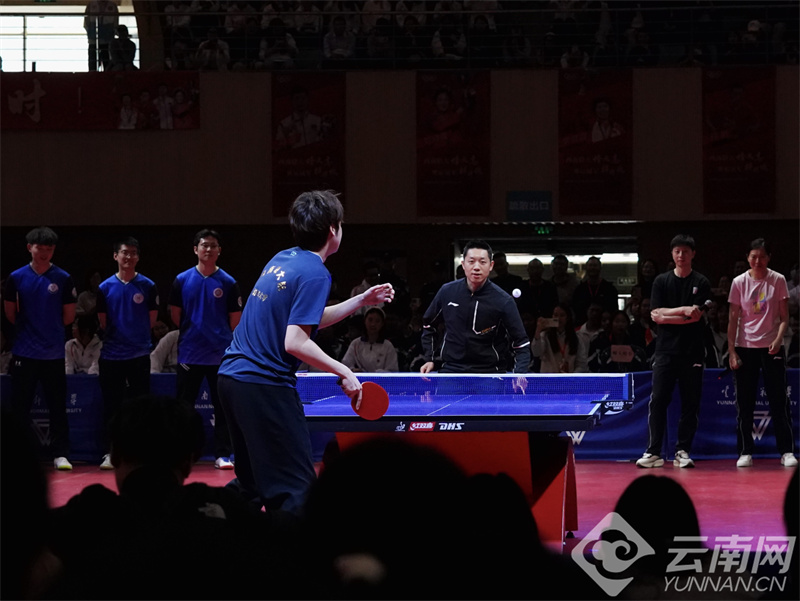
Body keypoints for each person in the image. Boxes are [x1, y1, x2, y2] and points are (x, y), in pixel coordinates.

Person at [217, 190, 395, 515]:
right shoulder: (316, 272)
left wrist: (360, 300)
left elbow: (304, 319)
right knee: (296, 489)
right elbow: (296, 342)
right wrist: (344, 371)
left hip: (232, 379)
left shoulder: (282, 259)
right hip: (264, 383)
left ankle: (219, 531)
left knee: (252, 482)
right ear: (332, 229)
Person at [46, 394, 300, 600]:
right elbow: (295, 535)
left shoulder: (89, 514)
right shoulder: (222, 507)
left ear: (114, 455)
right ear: (190, 460)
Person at [4, 227, 77, 470]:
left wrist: (48, 331)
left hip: (53, 353)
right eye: (40, 248)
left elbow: (68, 317)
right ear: (29, 248)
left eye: (49, 248)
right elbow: (10, 314)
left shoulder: (63, 278)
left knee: (57, 406)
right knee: (20, 407)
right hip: (24, 352)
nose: (44, 252)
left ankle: (60, 454)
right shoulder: (16, 277)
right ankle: (16, 455)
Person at [169, 229, 242, 471]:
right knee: (183, 409)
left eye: (213, 245)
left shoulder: (228, 282)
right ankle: (182, 453)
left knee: (223, 407)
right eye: (204, 245)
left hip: (220, 355)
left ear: (219, 250)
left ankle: (223, 454)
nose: (208, 249)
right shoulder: (181, 280)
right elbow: (176, 316)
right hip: (190, 354)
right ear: (195, 249)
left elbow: (235, 320)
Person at [636, 234, 712, 469]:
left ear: (693, 254)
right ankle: (654, 452)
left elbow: (694, 318)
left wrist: (667, 316)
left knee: (690, 403)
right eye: (677, 251)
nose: (681, 255)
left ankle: (682, 451)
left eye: (685, 251)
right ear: (672, 254)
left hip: (692, 352)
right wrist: (684, 311)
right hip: (665, 351)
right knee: (658, 400)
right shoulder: (661, 281)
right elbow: (655, 315)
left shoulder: (702, 281)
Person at [727, 238, 797, 468]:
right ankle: (745, 451)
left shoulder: (778, 280)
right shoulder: (739, 282)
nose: (758, 261)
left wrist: (778, 340)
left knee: (779, 400)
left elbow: (785, 317)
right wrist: (732, 351)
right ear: (748, 257)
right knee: (745, 402)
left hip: (771, 346)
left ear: (769, 258)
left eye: (762, 257)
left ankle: (786, 450)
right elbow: (733, 319)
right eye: (753, 256)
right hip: (745, 347)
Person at [420, 240, 531, 374]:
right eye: (471, 261)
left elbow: (521, 343)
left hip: (490, 374)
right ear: (463, 265)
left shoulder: (503, 300)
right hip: (451, 371)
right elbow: (428, 325)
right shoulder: (447, 292)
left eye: (482, 262)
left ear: (491, 266)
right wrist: (430, 358)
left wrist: (519, 375)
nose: (476, 267)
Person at [97, 237, 159, 470]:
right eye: (125, 252)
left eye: (133, 253)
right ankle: (111, 453)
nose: (129, 257)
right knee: (112, 407)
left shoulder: (148, 286)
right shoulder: (104, 288)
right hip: (111, 356)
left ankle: (140, 453)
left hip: (139, 355)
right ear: (116, 256)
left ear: (138, 257)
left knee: (141, 407)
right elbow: (103, 322)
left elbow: (151, 321)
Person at [532, 303, 588, 374]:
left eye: (562, 315)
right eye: (555, 315)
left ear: (568, 318)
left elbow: (582, 364)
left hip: (569, 378)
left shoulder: (577, 338)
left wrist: (572, 377)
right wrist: (538, 330)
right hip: (549, 378)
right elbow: (536, 353)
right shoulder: (544, 336)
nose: (558, 318)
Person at [341, 306, 399, 373]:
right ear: (365, 321)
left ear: (382, 324)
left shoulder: (388, 346)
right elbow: (346, 365)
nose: (373, 324)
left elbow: (392, 371)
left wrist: (377, 374)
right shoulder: (356, 343)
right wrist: (353, 370)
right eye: (370, 320)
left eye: (377, 321)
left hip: (380, 379)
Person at [572, 255, 619, 326]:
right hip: (583, 327)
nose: (592, 268)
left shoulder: (609, 289)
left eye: (595, 265)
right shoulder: (579, 289)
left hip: (604, 327)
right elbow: (575, 310)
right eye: (590, 265)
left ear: (600, 268)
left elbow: (614, 310)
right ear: (586, 268)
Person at [83, 0, 119, 71]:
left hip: (107, 40)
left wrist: (112, 33)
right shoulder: (91, 5)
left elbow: (115, 23)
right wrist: (91, 34)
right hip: (93, 41)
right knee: (93, 65)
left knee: (107, 64)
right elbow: (86, 22)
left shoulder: (113, 5)